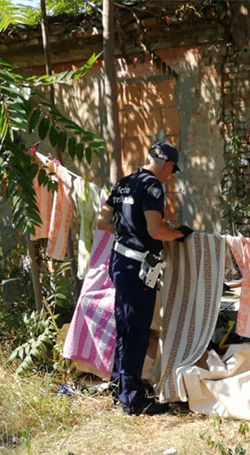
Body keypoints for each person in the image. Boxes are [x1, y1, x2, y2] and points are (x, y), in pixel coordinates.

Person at [96, 141, 191, 416]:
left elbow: (103, 222)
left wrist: (128, 233)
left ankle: (120, 387)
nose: (169, 176)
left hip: (119, 261)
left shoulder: (124, 182)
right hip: (137, 267)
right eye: (172, 171)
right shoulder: (152, 186)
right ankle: (134, 400)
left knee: (125, 328)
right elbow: (156, 230)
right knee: (136, 332)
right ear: (168, 165)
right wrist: (180, 233)